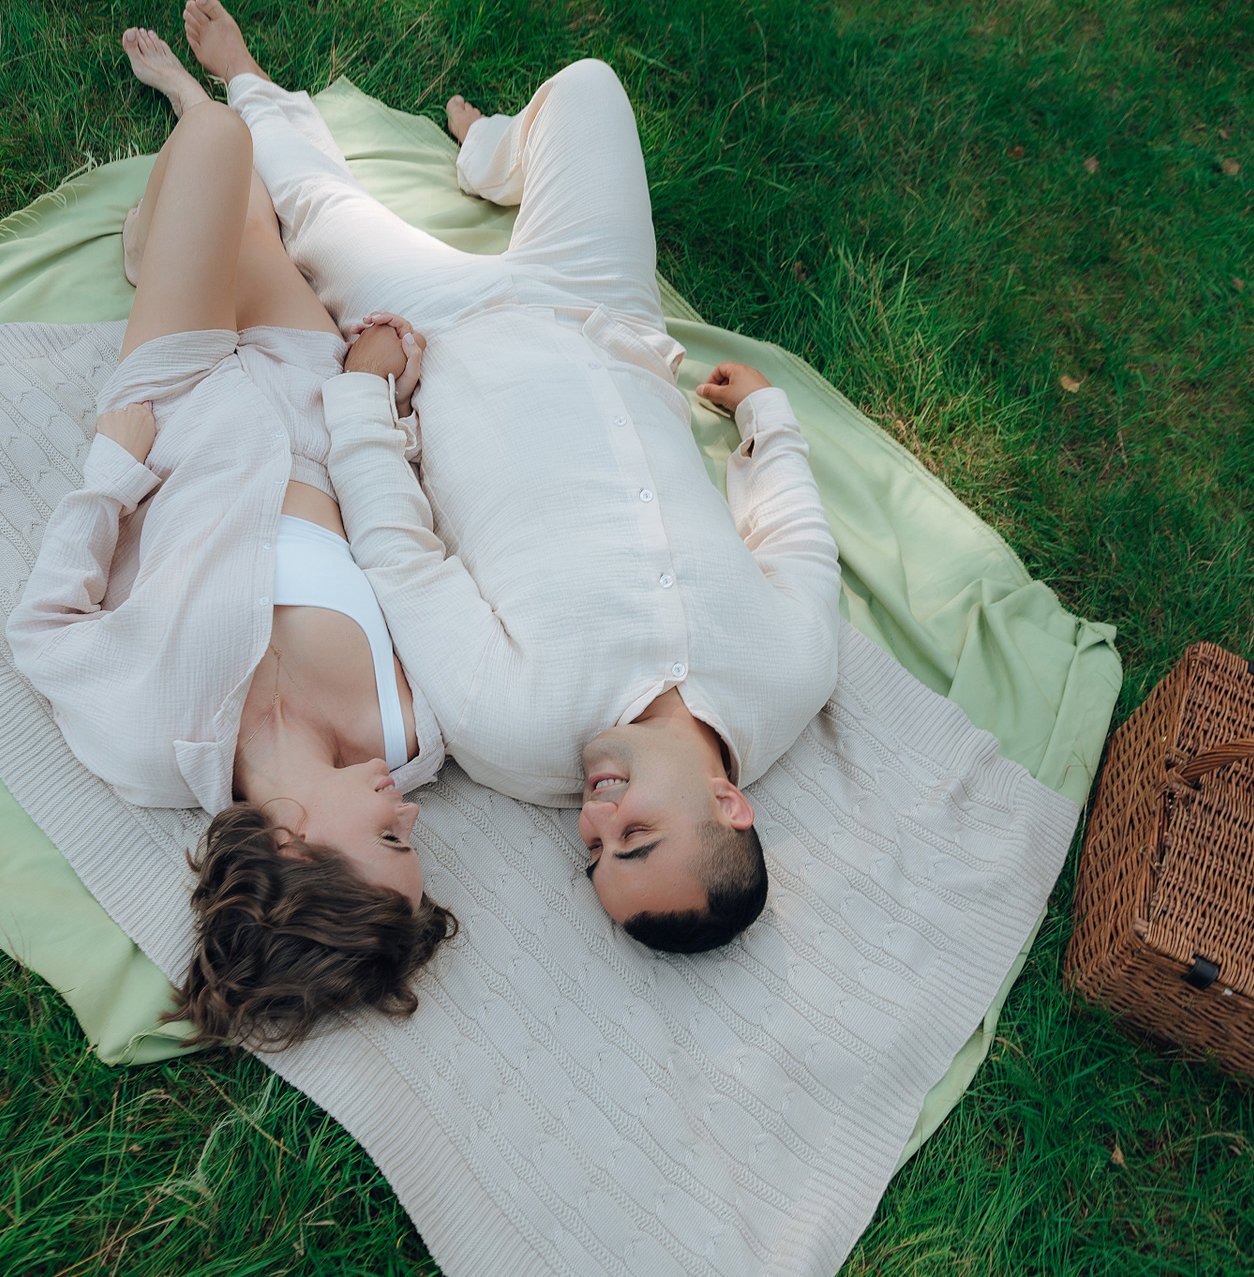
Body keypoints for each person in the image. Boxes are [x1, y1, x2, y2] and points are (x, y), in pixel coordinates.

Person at [181, 2, 844, 954]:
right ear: (729, 803)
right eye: (634, 836)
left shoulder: (515, 736)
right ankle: (492, 154)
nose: (594, 821)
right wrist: (767, 419)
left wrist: (363, 394)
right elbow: (795, 537)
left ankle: (244, 78)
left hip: (438, 331)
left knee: (314, 204)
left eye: (595, 855)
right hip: (605, 314)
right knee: (590, 89)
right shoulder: (793, 675)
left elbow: (403, 557)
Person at [6, 28, 453, 1049]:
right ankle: (171, 235)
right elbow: (408, 544)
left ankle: (172, 179)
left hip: (179, 400)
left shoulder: (149, 743)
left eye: (390, 840)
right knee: (251, 219)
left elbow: (43, 627)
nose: (412, 815)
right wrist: (383, 401)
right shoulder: (413, 733)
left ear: (293, 842)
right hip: (307, 391)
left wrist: (111, 475)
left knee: (213, 137)